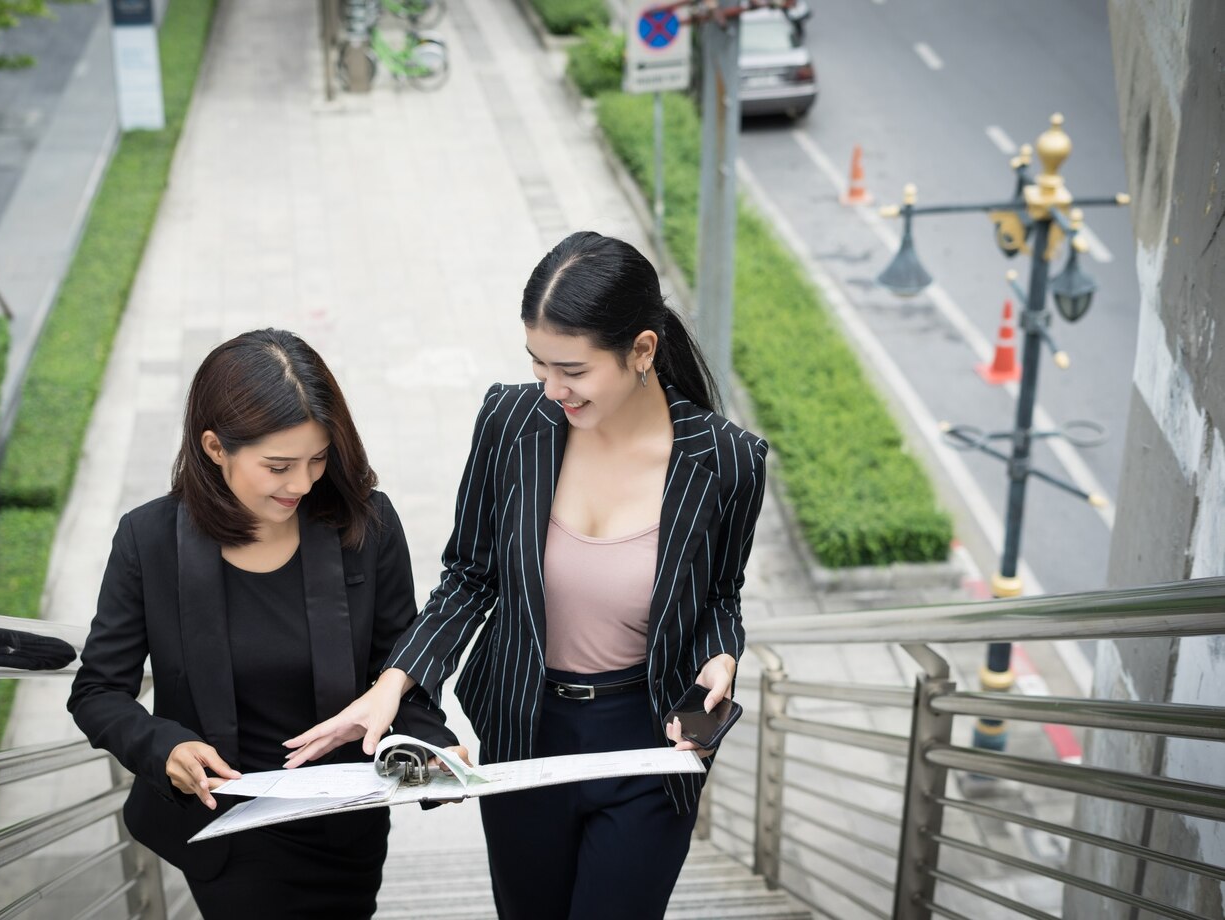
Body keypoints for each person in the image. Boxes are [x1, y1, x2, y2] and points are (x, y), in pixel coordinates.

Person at [286, 232, 769, 919]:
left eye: (571, 369)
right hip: (524, 730)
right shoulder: (513, 422)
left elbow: (721, 594)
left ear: (642, 351)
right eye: (537, 363)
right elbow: (469, 577)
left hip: (649, 741)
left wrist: (721, 653)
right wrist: (394, 684)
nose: (551, 388)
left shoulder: (726, 460)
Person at [68, 328, 462, 919]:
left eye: (319, 458)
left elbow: (397, 669)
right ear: (214, 447)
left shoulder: (366, 524)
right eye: (278, 466)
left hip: (340, 826)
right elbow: (98, 692)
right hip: (224, 831)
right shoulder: (147, 541)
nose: (302, 484)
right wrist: (164, 746)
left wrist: (430, 747)